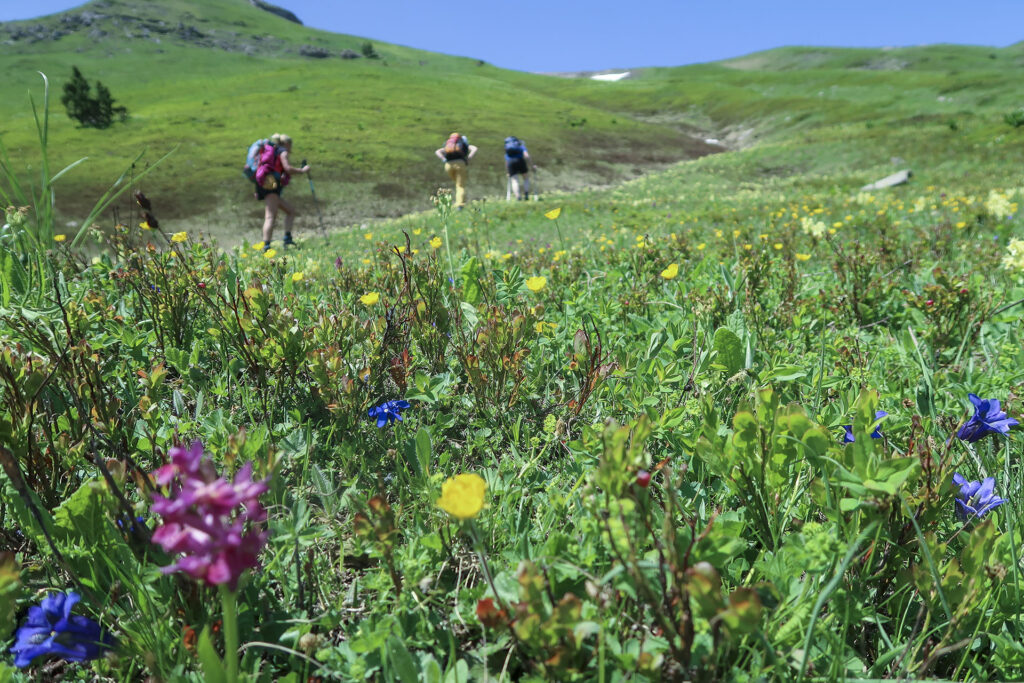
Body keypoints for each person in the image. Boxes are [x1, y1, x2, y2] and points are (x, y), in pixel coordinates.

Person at [255, 133, 309, 249]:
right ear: (286, 144)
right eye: (290, 145)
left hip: (269, 186)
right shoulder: (282, 152)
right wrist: (302, 170)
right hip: (271, 188)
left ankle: (287, 239)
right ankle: (266, 246)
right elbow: (288, 168)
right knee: (270, 217)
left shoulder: (272, 151)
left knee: (290, 211)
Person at [434, 132, 477, 209]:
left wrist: (443, 159)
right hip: (460, 164)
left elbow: (437, 151)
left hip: (448, 165)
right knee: (460, 186)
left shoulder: (448, 145)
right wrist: (469, 158)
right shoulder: (463, 143)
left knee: (457, 184)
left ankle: (462, 199)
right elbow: (474, 148)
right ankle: (460, 205)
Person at [504, 135, 533, 201]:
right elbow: (527, 156)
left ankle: (518, 197)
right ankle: (526, 194)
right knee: (525, 178)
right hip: (520, 161)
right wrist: (532, 166)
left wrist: (508, 172)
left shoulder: (507, 149)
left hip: (510, 162)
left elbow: (506, 160)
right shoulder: (521, 146)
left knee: (514, 181)